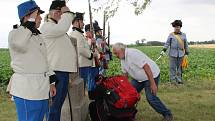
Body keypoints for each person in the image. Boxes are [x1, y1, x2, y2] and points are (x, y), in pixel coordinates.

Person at [8, 0, 56, 121]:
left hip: (42, 88)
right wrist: (30, 22)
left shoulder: (38, 36)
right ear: (27, 17)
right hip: (26, 90)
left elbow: (45, 61)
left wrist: (51, 82)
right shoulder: (15, 33)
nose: (40, 18)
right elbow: (19, 44)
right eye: (37, 15)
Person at [112, 43, 173, 121]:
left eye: (116, 53)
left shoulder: (133, 54)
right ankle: (129, 115)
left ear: (121, 50)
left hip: (151, 76)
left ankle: (167, 114)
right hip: (138, 79)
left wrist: (153, 84)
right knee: (128, 96)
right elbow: (125, 75)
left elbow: (146, 67)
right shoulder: (122, 59)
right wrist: (124, 89)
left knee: (151, 98)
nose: (115, 56)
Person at [40, 1, 77, 120]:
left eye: (61, 12)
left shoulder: (57, 28)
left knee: (58, 106)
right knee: (54, 107)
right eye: (57, 12)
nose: (59, 14)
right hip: (56, 72)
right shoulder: (47, 26)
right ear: (50, 13)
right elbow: (63, 27)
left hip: (62, 71)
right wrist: (68, 13)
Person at [69, 13, 93, 94]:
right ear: (77, 22)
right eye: (82, 21)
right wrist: (90, 55)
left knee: (83, 86)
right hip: (81, 65)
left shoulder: (78, 34)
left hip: (83, 64)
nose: (83, 24)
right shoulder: (76, 34)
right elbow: (80, 49)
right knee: (81, 87)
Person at [161, 20, 189, 84]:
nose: (177, 28)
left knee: (180, 68)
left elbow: (186, 44)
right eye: (176, 27)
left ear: (180, 27)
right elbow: (167, 43)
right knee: (172, 68)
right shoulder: (171, 35)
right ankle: (173, 81)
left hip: (181, 54)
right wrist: (163, 50)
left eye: (178, 27)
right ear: (174, 27)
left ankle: (179, 80)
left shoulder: (184, 35)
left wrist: (187, 53)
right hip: (172, 54)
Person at [85, 24, 100, 98]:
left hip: (96, 63)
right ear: (87, 32)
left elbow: (98, 51)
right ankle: (91, 95)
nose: (93, 33)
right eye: (91, 31)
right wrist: (91, 43)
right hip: (91, 64)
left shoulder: (94, 40)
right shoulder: (86, 40)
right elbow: (87, 51)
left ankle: (95, 94)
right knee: (91, 80)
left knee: (95, 80)